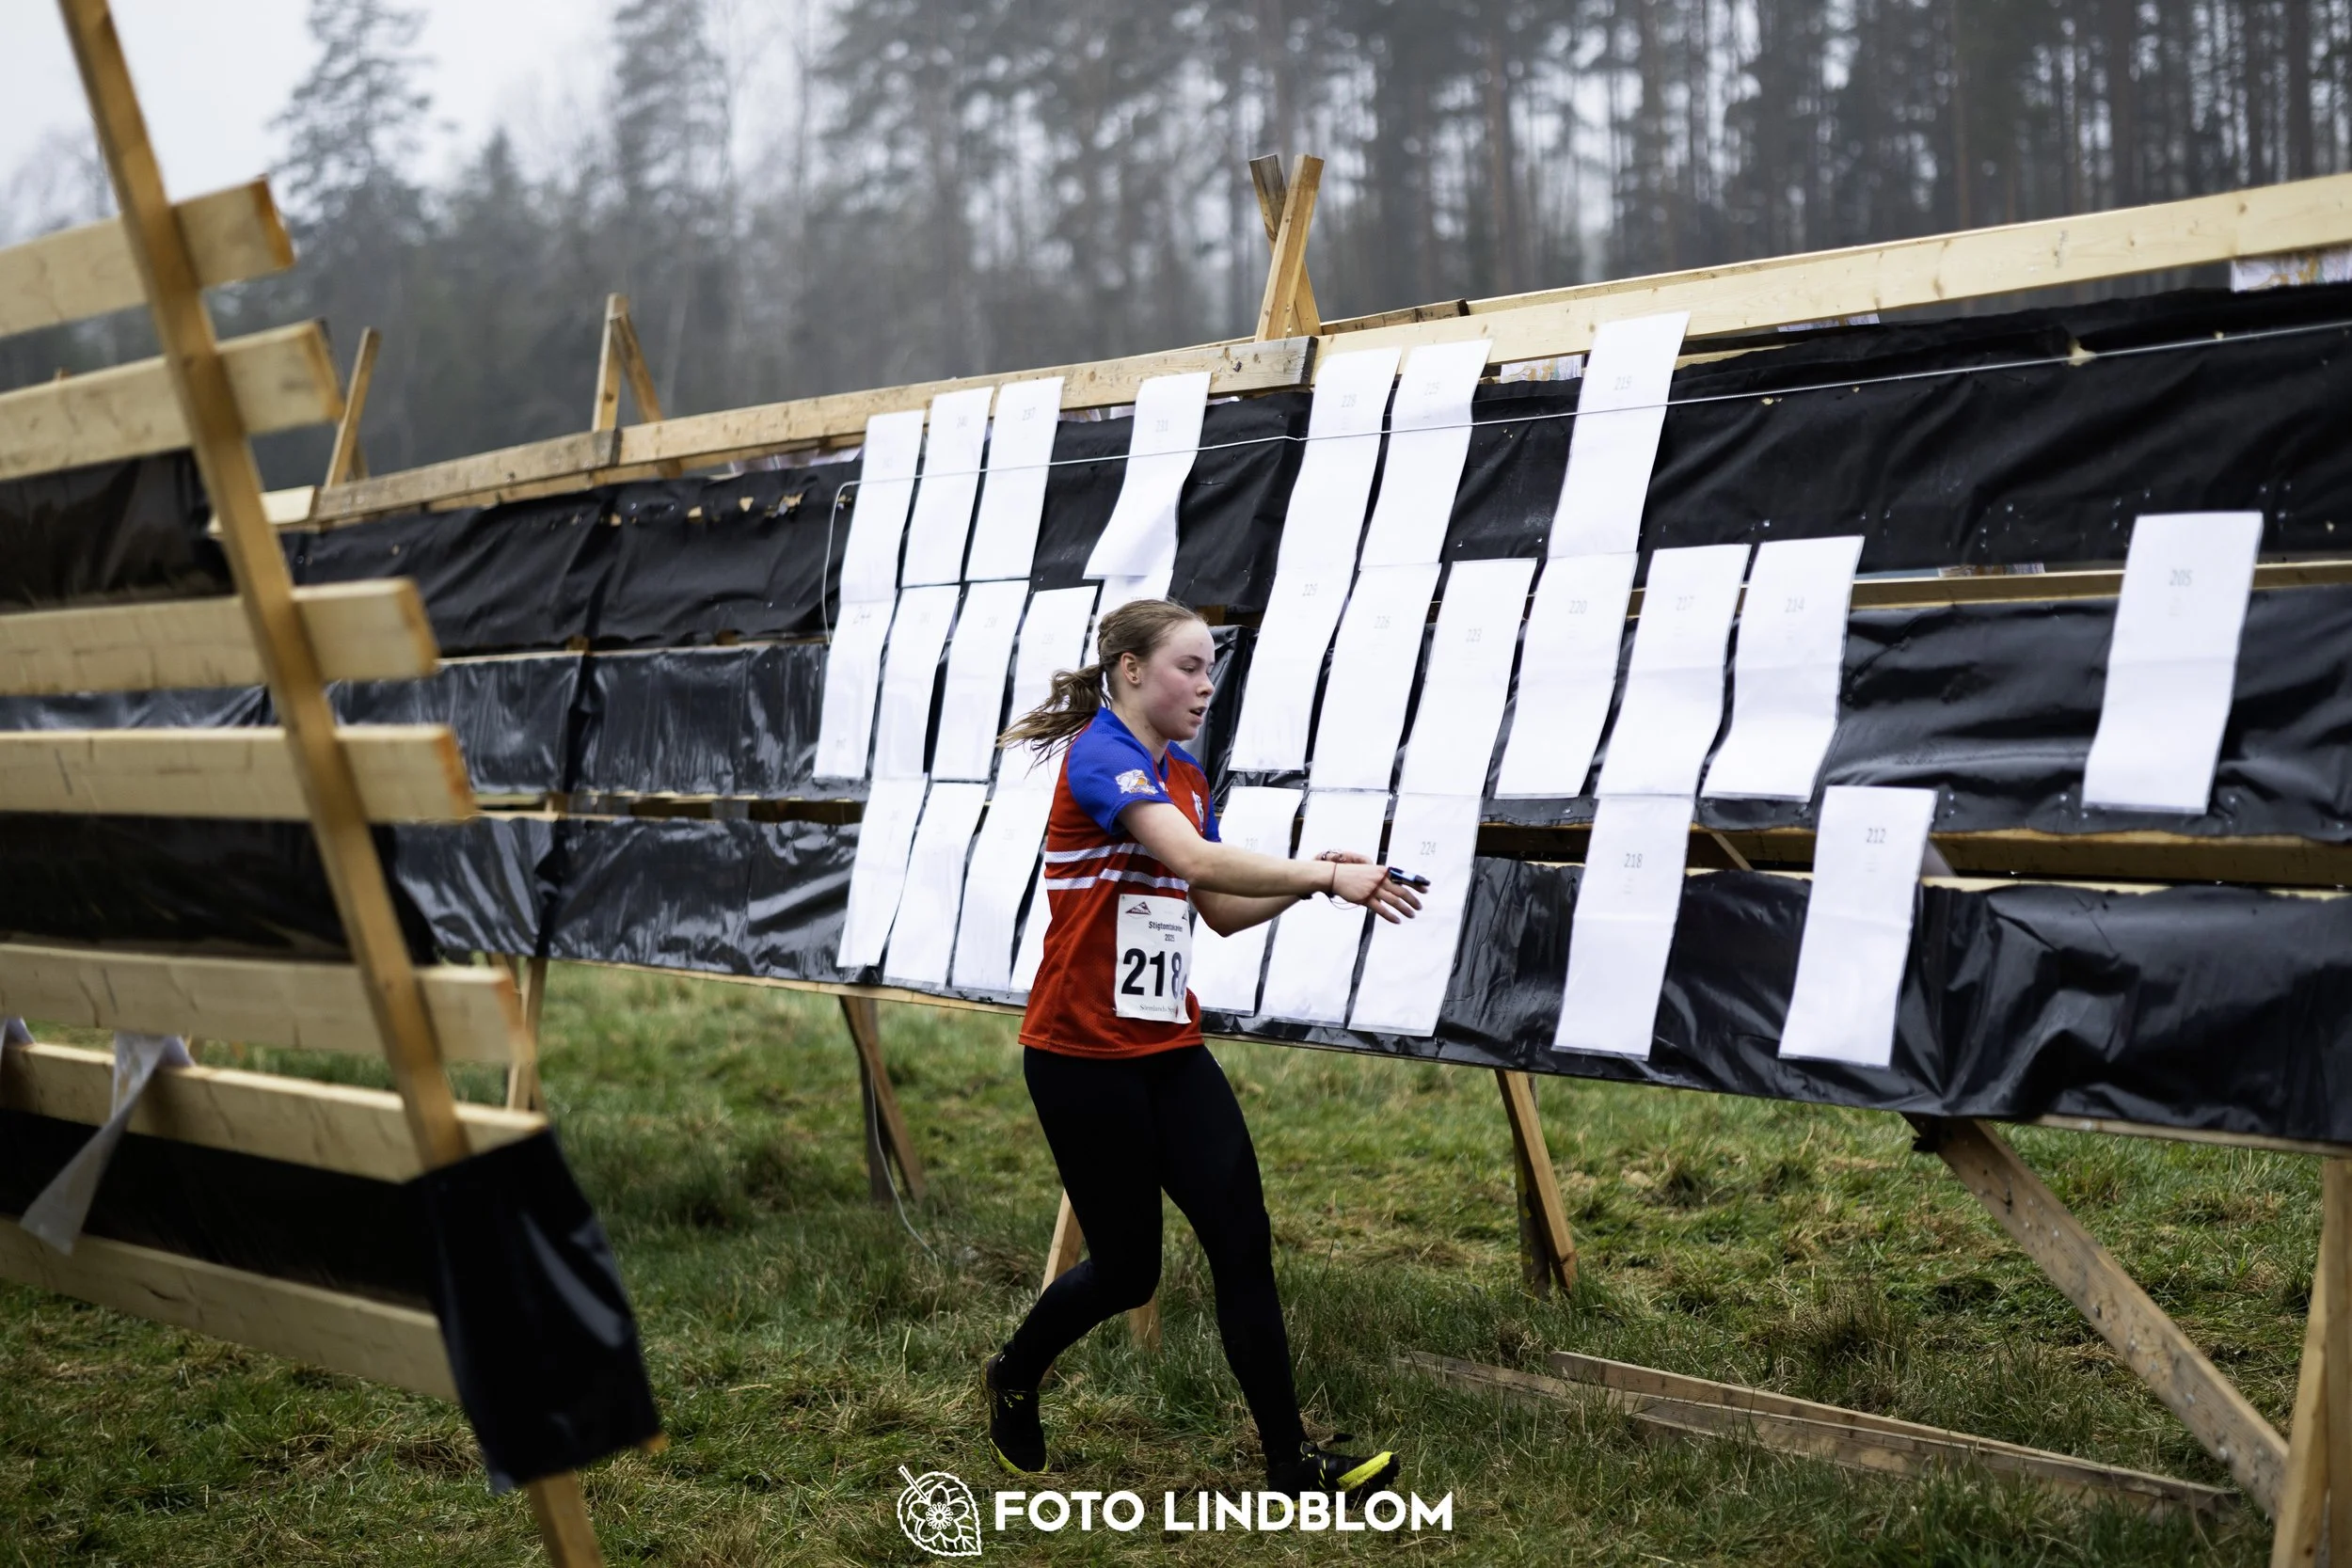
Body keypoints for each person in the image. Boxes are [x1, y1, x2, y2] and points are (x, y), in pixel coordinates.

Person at [982, 596, 1422, 1497]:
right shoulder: (1103, 757)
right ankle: (1013, 1373)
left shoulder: (1183, 775)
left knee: (1241, 1240)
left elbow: (1217, 909)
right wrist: (1327, 872)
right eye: (1189, 665)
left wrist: (1310, 888)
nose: (1207, 683)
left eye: (1212, 667)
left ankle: (1290, 1463)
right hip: (1079, 1059)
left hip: (1168, 1048)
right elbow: (1196, 864)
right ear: (1131, 670)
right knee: (1128, 1268)